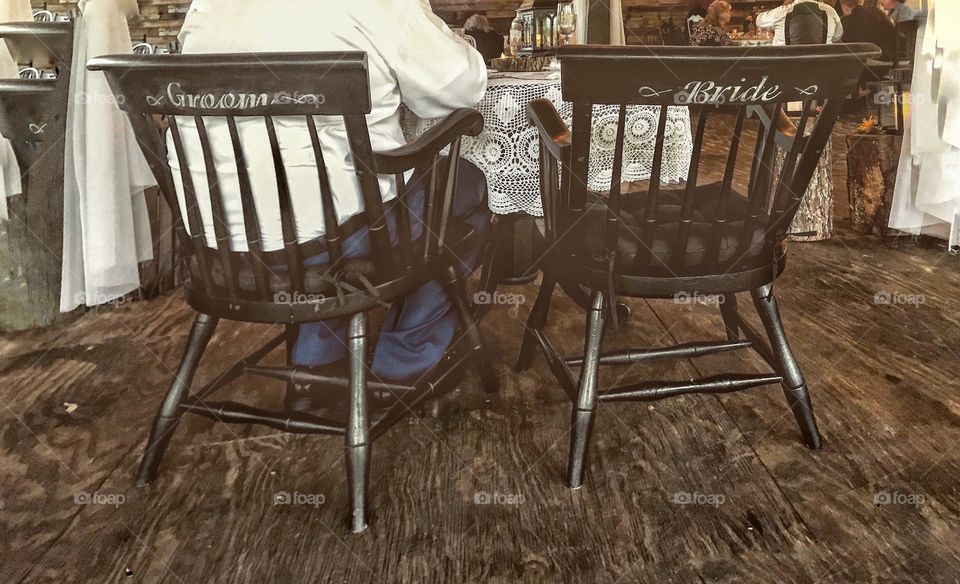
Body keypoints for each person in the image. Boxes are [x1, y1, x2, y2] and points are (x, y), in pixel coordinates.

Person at [174, 0, 490, 408]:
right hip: (335, 244)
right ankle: (408, 361)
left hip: (218, 246)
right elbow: (459, 89)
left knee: (318, 204)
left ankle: (315, 369)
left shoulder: (206, 8)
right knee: (465, 186)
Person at [756, 0, 844, 45]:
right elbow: (837, 36)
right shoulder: (830, 11)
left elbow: (759, 20)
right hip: (820, 69)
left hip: (784, 70)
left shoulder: (782, 11)